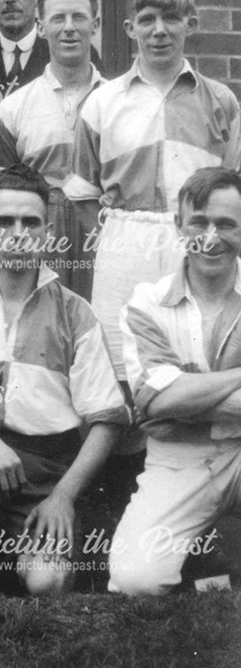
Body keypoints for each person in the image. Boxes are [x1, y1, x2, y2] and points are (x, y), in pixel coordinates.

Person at [0, 166, 128, 595]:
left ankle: (13, 554)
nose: (18, 233)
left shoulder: (76, 313)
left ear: (47, 232)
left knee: (47, 584)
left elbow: (107, 419)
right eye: (4, 222)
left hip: (46, 468)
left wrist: (63, 496)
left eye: (30, 222)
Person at [64, 0, 241, 382]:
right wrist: (119, 234)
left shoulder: (221, 101)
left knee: (197, 349)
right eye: (147, 20)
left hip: (200, 238)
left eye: (171, 18)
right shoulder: (102, 102)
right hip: (126, 241)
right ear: (130, 28)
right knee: (121, 362)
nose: (159, 31)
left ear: (190, 24)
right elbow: (82, 191)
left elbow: (233, 184)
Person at [110, 167, 241, 596]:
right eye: (199, 222)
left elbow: (172, 402)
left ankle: (221, 552)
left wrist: (184, 395)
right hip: (178, 458)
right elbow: (158, 400)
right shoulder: (146, 302)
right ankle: (210, 554)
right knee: (136, 581)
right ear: (178, 226)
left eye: (226, 224)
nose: (211, 236)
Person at [0, 0, 103, 299]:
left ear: (96, 23)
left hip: (104, 238)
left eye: (79, 16)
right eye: (57, 18)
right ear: (42, 25)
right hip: (39, 240)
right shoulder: (13, 108)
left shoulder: (121, 104)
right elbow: (0, 196)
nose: (68, 27)